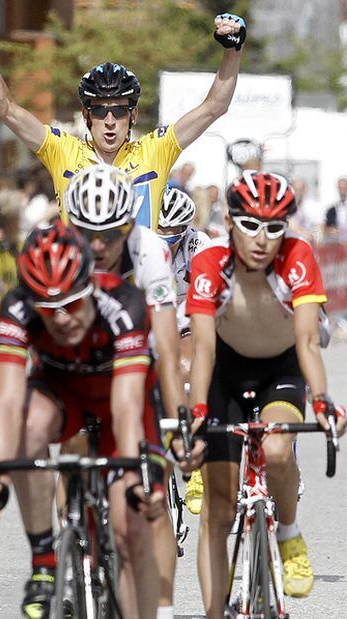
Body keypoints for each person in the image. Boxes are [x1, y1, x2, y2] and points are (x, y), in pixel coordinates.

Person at [0, 219, 168, 619]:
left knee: (132, 531)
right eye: (47, 308)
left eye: (72, 304)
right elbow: (7, 402)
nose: (60, 319)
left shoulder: (124, 305)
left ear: (90, 284)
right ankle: (43, 560)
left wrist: (136, 479)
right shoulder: (17, 307)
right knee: (28, 422)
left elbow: (128, 407)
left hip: (118, 402)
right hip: (61, 395)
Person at [186, 171, 346, 618]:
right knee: (218, 506)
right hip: (224, 371)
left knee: (277, 450)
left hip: (281, 368)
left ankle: (289, 533)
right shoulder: (210, 262)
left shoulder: (298, 257)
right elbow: (201, 348)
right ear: (230, 221)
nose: (262, 239)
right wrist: (196, 409)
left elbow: (308, 342)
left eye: (275, 227)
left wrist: (323, 401)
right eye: (250, 224)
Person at [64, 165, 205, 619]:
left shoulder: (151, 252)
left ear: (130, 224)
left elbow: (165, 344)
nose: (99, 245)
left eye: (112, 233)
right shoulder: (61, 249)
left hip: (136, 366)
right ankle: (71, 551)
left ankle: (159, 608)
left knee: (151, 502)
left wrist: (180, 422)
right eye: (89, 233)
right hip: (84, 368)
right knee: (67, 455)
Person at [0, 7, 247, 229]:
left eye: (119, 111)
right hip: (82, 289)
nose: (109, 120)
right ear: (86, 115)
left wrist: (232, 51)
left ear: (133, 115)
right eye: (99, 111)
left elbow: (214, 107)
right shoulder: (63, 150)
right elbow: (5, 109)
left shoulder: (155, 149)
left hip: (139, 290)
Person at [157, 187, 211, 516]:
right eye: (161, 232)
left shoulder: (198, 245)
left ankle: (197, 468)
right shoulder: (141, 240)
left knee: (188, 371)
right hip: (155, 323)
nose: (167, 239)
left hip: (188, 320)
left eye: (173, 233)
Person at [323, 176, 347, 241]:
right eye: (340, 188)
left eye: (344, 187)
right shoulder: (332, 210)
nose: (342, 190)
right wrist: (330, 231)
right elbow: (325, 228)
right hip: (338, 243)